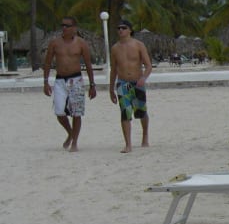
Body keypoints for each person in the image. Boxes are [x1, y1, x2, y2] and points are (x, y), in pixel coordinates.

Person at [42, 15, 97, 152]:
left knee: (77, 112)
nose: (64, 28)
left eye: (67, 25)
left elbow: (88, 65)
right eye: (62, 25)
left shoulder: (81, 43)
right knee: (59, 111)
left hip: (76, 79)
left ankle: (75, 142)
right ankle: (70, 133)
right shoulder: (55, 43)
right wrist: (45, 82)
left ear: (74, 28)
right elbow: (47, 63)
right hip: (60, 80)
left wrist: (92, 85)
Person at [108, 19, 153, 153]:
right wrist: (111, 89)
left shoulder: (138, 45)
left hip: (137, 82)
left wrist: (143, 78)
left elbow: (148, 65)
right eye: (118, 28)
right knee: (125, 112)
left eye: (123, 28)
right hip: (123, 83)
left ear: (130, 30)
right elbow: (113, 69)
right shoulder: (115, 48)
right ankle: (128, 144)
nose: (120, 30)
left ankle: (145, 135)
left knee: (141, 111)